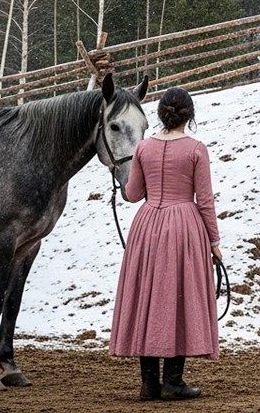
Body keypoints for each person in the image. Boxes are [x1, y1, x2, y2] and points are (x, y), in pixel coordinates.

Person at [109, 87, 222, 401]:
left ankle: (149, 383)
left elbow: (132, 195)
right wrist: (214, 241)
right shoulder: (196, 149)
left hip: (147, 226)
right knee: (178, 299)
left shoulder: (144, 148)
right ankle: (173, 381)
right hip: (183, 226)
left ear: (160, 114)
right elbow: (206, 200)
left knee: (148, 297)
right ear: (189, 115)